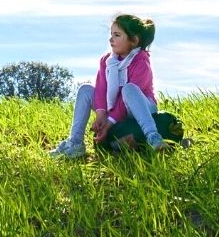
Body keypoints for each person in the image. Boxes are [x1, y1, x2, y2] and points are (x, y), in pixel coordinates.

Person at [48, 13, 164, 157]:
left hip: (140, 107)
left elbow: (125, 100)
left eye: (117, 35)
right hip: (114, 108)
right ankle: (75, 142)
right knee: (86, 89)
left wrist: (109, 123)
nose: (111, 39)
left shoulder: (140, 60)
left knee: (128, 89)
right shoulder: (107, 61)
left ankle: (153, 136)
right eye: (111, 34)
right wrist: (101, 115)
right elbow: (101, 89)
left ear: (133, 40)